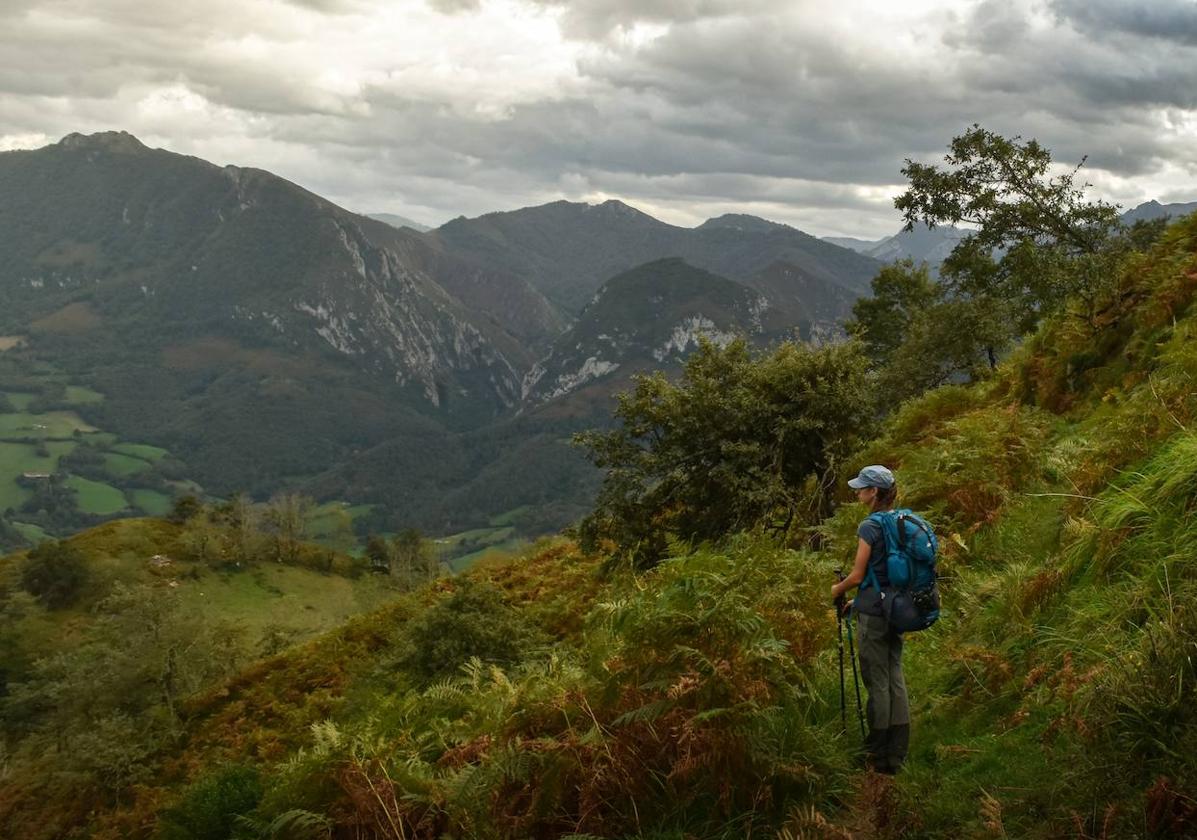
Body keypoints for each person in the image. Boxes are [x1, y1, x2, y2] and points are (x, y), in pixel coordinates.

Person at [830, 464, 910, 775]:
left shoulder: (870, 526)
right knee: (895, 676)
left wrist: (836, 589)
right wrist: (857, 602)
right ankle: (897, 752)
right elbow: (886, 572)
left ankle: (878, 753)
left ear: (874, 492)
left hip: (874, 615)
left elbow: (858, 575)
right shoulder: (900, 521)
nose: (858, 491)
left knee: (877, 680)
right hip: (897, 609)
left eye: (863, 487)